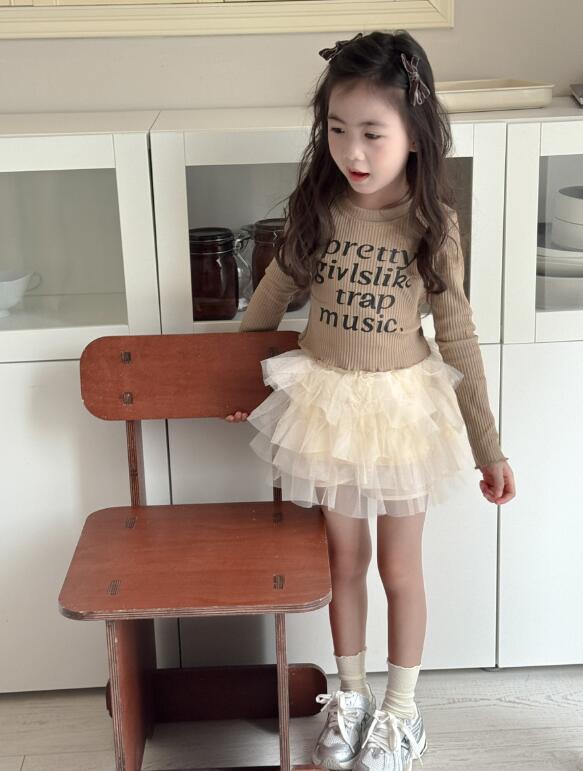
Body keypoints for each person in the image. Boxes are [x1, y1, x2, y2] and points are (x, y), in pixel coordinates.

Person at [226, 29, 516, 771]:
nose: (352, 152)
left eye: (372, 134)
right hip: (328, 408)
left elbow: (457, 334)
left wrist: (488, 447)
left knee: (399, 568)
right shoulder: (319, 210)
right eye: (336, 130)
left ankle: (402, 711)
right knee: (342, 561)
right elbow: (272, 296)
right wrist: (229, 377)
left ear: (414, 134)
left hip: (402, 414)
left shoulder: (430, 225)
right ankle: (350, 697)